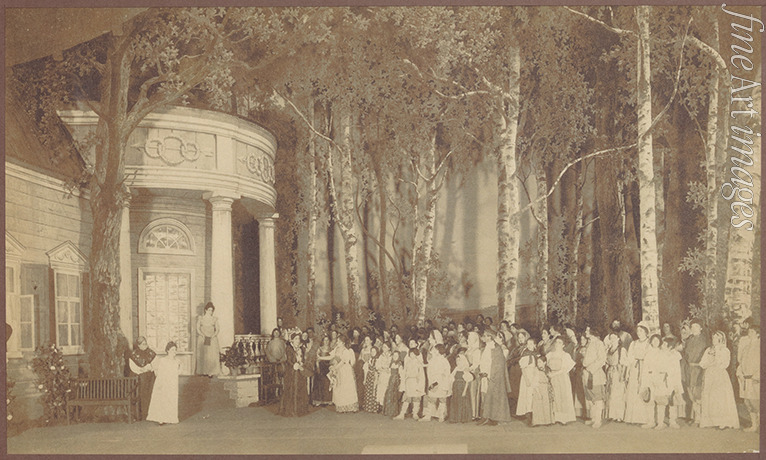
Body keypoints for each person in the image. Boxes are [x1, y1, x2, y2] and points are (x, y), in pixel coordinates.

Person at [699, 331, 739, 429]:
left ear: (721, 339)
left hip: (719, 375)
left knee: (720, 397)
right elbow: (702, 363)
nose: (714, 340)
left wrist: (714, 360)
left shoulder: (725, 350)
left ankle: (723, 421)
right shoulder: (708, 349)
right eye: (713, 338)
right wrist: (708, 363)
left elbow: (724, 364)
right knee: (709, 396)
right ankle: (709, 421)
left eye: (717, 338)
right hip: (709, 374)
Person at [477, 329, 512, 426]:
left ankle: (493, 418)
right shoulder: (486, 347)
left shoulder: (496, 348)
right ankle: (486, 416)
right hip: (485, 375)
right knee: (485, 395)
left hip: (493, 376)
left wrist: (489, 374)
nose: (484, 337)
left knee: (494, 396)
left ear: (490, 337)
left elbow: (498, 365)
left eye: (486, 336)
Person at [624, 325, 653, 425]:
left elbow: (650, 356)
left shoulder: (649, 343)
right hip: (634, 368)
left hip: (645, 369)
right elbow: (629, 357)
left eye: (641, 331)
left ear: (646, 332)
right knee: (633, 390)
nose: (639, 333)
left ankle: (644, 419)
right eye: (638, 331)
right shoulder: (633, 343)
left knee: (643, 390)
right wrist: (628, 371)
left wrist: (643, 360)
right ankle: (632, 418)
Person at [147, 341, 180, 425]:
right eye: (172, 350)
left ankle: (171, 418)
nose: (174, 352)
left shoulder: (177, 361)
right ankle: (161, 418)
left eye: (175, 350)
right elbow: (160, 373)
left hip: (173, 383)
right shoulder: (163, 360)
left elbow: (178, 372)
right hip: (164, 382)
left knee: (171, 400)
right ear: (168, 351)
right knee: (162, 400)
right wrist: (160, 384)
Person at [683, 319, 709, 424]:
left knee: (697, 393)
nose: (694, 329)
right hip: (689, 369)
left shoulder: (705, 340)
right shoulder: (689, 340)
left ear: (701, 328)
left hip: (699, 369)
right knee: (690, 393)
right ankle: (695, 417)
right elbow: (685, 355)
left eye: (696, 327)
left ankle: (700, 417)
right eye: (692, 327)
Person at [279, 333, 311, 417]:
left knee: (301, 387)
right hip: (291, 371)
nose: (298, 340)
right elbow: (289, 360)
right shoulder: (289, 348)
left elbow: (303, 359)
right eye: (296, 339)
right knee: (293, 388)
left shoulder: (301, 349)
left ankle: (301, 410)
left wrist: (302, 364)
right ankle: (292, 410)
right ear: (292, 340)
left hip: (300, 370)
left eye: (298, 339)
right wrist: (295, 365)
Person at [546, 336, 576, 424]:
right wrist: (549, 374)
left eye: (560, 343)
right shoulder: (549, 354)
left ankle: (563, 418)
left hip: (561, 377)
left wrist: (554, 374)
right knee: (553, 396)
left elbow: (564, 369)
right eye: (556, 342)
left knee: (562, 397)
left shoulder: (565, 355)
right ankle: (554, 417)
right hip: (551, 377)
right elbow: (546, 365)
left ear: (563, 345)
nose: (557, 344)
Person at [582, 327, 607, 429]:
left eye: (587, 330)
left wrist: (591, 369)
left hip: (595, 374)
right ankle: (593, 418)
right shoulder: (589, 343)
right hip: (587, 374)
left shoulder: (599, 343)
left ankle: (598, 420)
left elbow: (602, 359)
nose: (586, 332)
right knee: (590, 397)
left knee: (597, 398)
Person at [737, 325, 760, 432]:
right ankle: (754, 425)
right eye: (749, 331)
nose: (749, 333)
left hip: (755, 379)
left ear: (758, 334)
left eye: (752, 332)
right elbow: (741, 362)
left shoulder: (760, 347)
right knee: (748, 402)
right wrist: (740, 373)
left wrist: (757, 376)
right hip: (746, 379)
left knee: (756, 402)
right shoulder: (746, 347)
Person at [421, 344, 451, 422]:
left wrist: (439, 382)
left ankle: (441, 415)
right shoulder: (432, 360)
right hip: (432, 381)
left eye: (434, 349)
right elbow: (429, 370)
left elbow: (446, 373)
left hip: (441, 382)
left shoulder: (444, 361)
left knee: (442, 399)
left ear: (438, 351)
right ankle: (428, 415)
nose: (433, 351)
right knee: (431, 399)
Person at [129, 336, 156, 421]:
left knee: (150, 394)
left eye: (145, 344)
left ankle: (150, 413)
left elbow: (155, 364)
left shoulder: (151, 353)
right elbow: (132, 367)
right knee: (140, 395)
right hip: (139, 377)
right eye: (143, 344)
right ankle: (140, 414)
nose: (145, 346)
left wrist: (149, 367)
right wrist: (141, 370)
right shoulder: (134, 354)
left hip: (150, 377)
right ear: (139, 345)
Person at [395, 348, 426, 420]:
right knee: (406, 398)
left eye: (413, 353)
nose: (412, 355)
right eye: (410, 353)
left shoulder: (418, 364)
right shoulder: (408, 363)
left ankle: (415, 413)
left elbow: (421, 375)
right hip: (408, 382)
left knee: (416, 398)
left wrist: (420, 385)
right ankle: (402, 414)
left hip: (416, 382)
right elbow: (404, 373)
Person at [330, 335, 358, 413]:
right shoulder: (336, 349)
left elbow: (343, 362)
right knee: (339, 387)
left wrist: (335, 368)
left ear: (343, 342)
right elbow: (332, 357)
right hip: (339, 370)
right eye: (337, 341)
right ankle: (341, 406)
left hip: (345, 370)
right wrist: (321, 358)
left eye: (338, 341)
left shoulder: (346, 351)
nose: (337, 342)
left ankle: (350, 407)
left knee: (346, 387)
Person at [604, 333, 627, 422]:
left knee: (619, 394)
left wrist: (623, 375)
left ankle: (619, 415)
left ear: (618, 339)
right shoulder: (608, 350)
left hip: (618, 372)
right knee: (611, 393)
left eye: (614, 337)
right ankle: (612, 414)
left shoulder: (622, 350)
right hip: (610, 372)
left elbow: (624, 364)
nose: (612, 339)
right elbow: (606, 362)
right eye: (611, 338)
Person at [447, 347, 473, 423]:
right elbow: (451, 378)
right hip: (456, 387)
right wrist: (450, 388)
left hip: (462, 387)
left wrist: (464, 391)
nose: (458, 362)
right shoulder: (456, 369)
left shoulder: (465, 369)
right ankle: (455, 418)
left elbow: (467, 381)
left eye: (459, 361)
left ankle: (463, 418)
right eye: (457, 361)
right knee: (455, 402)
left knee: (462, 402)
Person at [195, 302, 221, 377]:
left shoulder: (214, 319)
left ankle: (211, 372)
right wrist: (202, 335)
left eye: (211, 310)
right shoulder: (201, 318)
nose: (210, 312)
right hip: (203, 338)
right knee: (203, 354)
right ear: (205, 310)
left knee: (211, 355)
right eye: (209, 310)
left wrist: (213, 336)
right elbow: (198, 328)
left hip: (211, 338)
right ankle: (203, 371)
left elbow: (217, 329)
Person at [516, 337, 538, 419]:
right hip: (527, 376)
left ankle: (533, 412)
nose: (529, 346)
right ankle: (526, 412)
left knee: (533, 394)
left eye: (531, 344)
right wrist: (526, 379)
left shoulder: (536, 355)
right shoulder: (525, 355)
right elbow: (523, 368)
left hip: (534, 375)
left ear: (535, 345)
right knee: (526, 394)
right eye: (528, 344)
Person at [530, 355, 555, 427]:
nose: (538, 364)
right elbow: (534, 382)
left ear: (545, 362)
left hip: (546, 388)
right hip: (538, 387)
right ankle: (537, 421)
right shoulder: (536, 370)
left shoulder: (547, 370)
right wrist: (537, 391)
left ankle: (547, 421)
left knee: (546, 404)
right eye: (538, 362)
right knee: (538, 404)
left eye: (540, 362)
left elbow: (551, 378)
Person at [312, 335, 333, 406]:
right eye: (325, 340)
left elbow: (332, 359)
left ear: (329, 341)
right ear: (323, 341)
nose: (326, 342)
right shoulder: (320, 349)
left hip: (328, 367)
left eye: (327, 340)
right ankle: (318, 400)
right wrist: (317, 367)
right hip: (321, 367)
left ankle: (327, 400)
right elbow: (317, 359)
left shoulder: (331, 349)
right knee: (319, 383)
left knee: (327, 382)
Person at [466, 330, 483, 421]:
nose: (468, 340)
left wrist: (469, 368)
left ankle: (475, 413)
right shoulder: (469, 350)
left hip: (474, 373)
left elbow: (476, 363)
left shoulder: (477, 351)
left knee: (474, 393)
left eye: (470, 339)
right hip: (468, 372)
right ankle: (469, 412)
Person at [383, 345, 403, 417]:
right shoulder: (391, 364)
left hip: (396, 381)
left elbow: (401, 375)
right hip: (391, 380)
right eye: (394, 355)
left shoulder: (399, 365)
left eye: (396, 356)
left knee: (394, 396)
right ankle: (388, 411)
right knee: (389, 394)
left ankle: (394, 412)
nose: (395, 357)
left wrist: (400, 384)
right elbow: (389, 372)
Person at [363, 347, 381, 413]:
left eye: (374, 351)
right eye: (371, 351)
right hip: (369, 376)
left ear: (377, 352)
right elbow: (366, 370)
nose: (373, 353)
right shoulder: (369, 360)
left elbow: (379, 370)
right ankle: (368, 407)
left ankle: (374, 408)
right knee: (368, 391)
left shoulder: (378, 360)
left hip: (375, 376)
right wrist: (365, 379)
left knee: (374, 391)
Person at [376, 342, 393, 410]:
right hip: (382, 374)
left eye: (385, 347)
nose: (383, 348)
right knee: (381, 389)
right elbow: (378, 365)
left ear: (389, 348)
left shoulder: (391, 356)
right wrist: (381, 369)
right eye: (383, 347)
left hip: (388, 374)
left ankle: (387, 405)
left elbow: (392, 365)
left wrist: (388, 369)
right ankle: (381, 404)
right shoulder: (381, 356)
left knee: (387, 388)